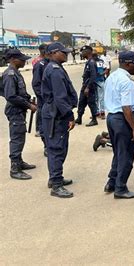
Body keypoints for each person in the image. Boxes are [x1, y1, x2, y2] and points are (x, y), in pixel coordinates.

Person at [102, 51, 134, 199]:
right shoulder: (126, 81)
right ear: (128, 64)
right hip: (122, 120)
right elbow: (127, 108)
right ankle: (120, 188)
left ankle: (111, 182)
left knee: (118, 154)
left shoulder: (112, 77)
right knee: (126, 156)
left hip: (112, 118)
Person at [41, 42, 78, 198]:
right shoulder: (55, 70)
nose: (66, 54)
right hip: (56, 115)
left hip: (55, 113)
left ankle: (55, 178)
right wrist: (69, 115)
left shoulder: (55, 68)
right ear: (54, 53)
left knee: (58, 147)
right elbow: (60, 97)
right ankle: (56, 185)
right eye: (63, 52)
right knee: (57, 149)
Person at [2, 49, 37, 180]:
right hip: (15, 111)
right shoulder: (10, 74)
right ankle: (15, 168)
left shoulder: (16, 73)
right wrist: (29, 105)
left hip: (19, 110)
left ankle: (19, 161)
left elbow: (21, 93)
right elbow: (11, 96)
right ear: (12, 59)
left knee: (20, 136)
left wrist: (29, 100)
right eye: (21, 59)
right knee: (17, 138)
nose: (24, 61)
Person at [31, 43, 49, 155]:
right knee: (43, 123)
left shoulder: (50, 63)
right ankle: (46, 145)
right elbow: (36, 84)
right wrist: (43, 97)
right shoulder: (40, 64)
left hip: (50, 101)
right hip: (44, 100)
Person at [75, 45, 98, 127]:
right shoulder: (88, 62)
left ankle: (94, 119)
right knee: (81, 102)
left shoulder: (91, 63)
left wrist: (88, 87)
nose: (81, 53)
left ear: (87, 52)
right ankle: (79, 118)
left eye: (83, 52)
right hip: (85, 86)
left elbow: (93, 76)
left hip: (89, 87)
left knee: (91, 103)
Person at [93, 52, 107, 119]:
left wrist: (101, 74)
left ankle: (102, 112)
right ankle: (98, 112)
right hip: (94, 82)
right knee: (96, 98)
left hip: (100, 81)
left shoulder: (99, 62)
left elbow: (106, 69)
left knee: (100, 98)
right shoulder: (91, 62)